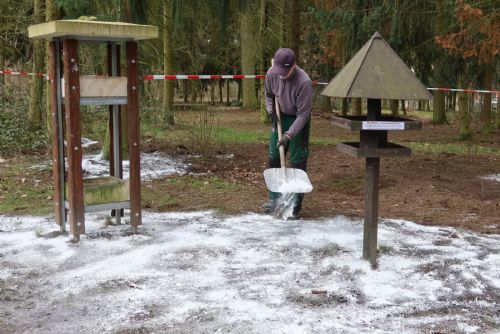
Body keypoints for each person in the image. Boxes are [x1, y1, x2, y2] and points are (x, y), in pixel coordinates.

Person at [262, 48, 313, 218]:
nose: (281, 75)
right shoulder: (272, 73)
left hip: (299, 120)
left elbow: (304, 114)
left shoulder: (304, 82)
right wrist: (270, 111)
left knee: (298, 159)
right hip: (280, 116)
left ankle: (295, 204)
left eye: (285, 71)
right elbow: (269, 94)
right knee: (274, 155)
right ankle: (275, 199)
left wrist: (288, 135)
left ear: (293, 66)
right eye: (279, 71)